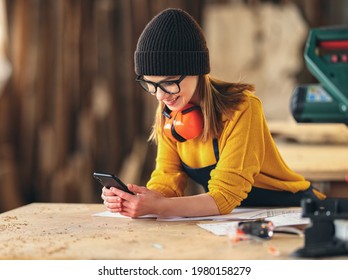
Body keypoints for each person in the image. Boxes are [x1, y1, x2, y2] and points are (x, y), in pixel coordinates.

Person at [101, 8, 325, 218]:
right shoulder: (170, 108)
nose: (160, 96)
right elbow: (167, 179)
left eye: (169, 82)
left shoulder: (243, 109)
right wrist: (139, 198)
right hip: (242, 216)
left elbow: (225, 196)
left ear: (197, 69)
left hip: (294, 210)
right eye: (150, 85)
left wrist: (161, 207)